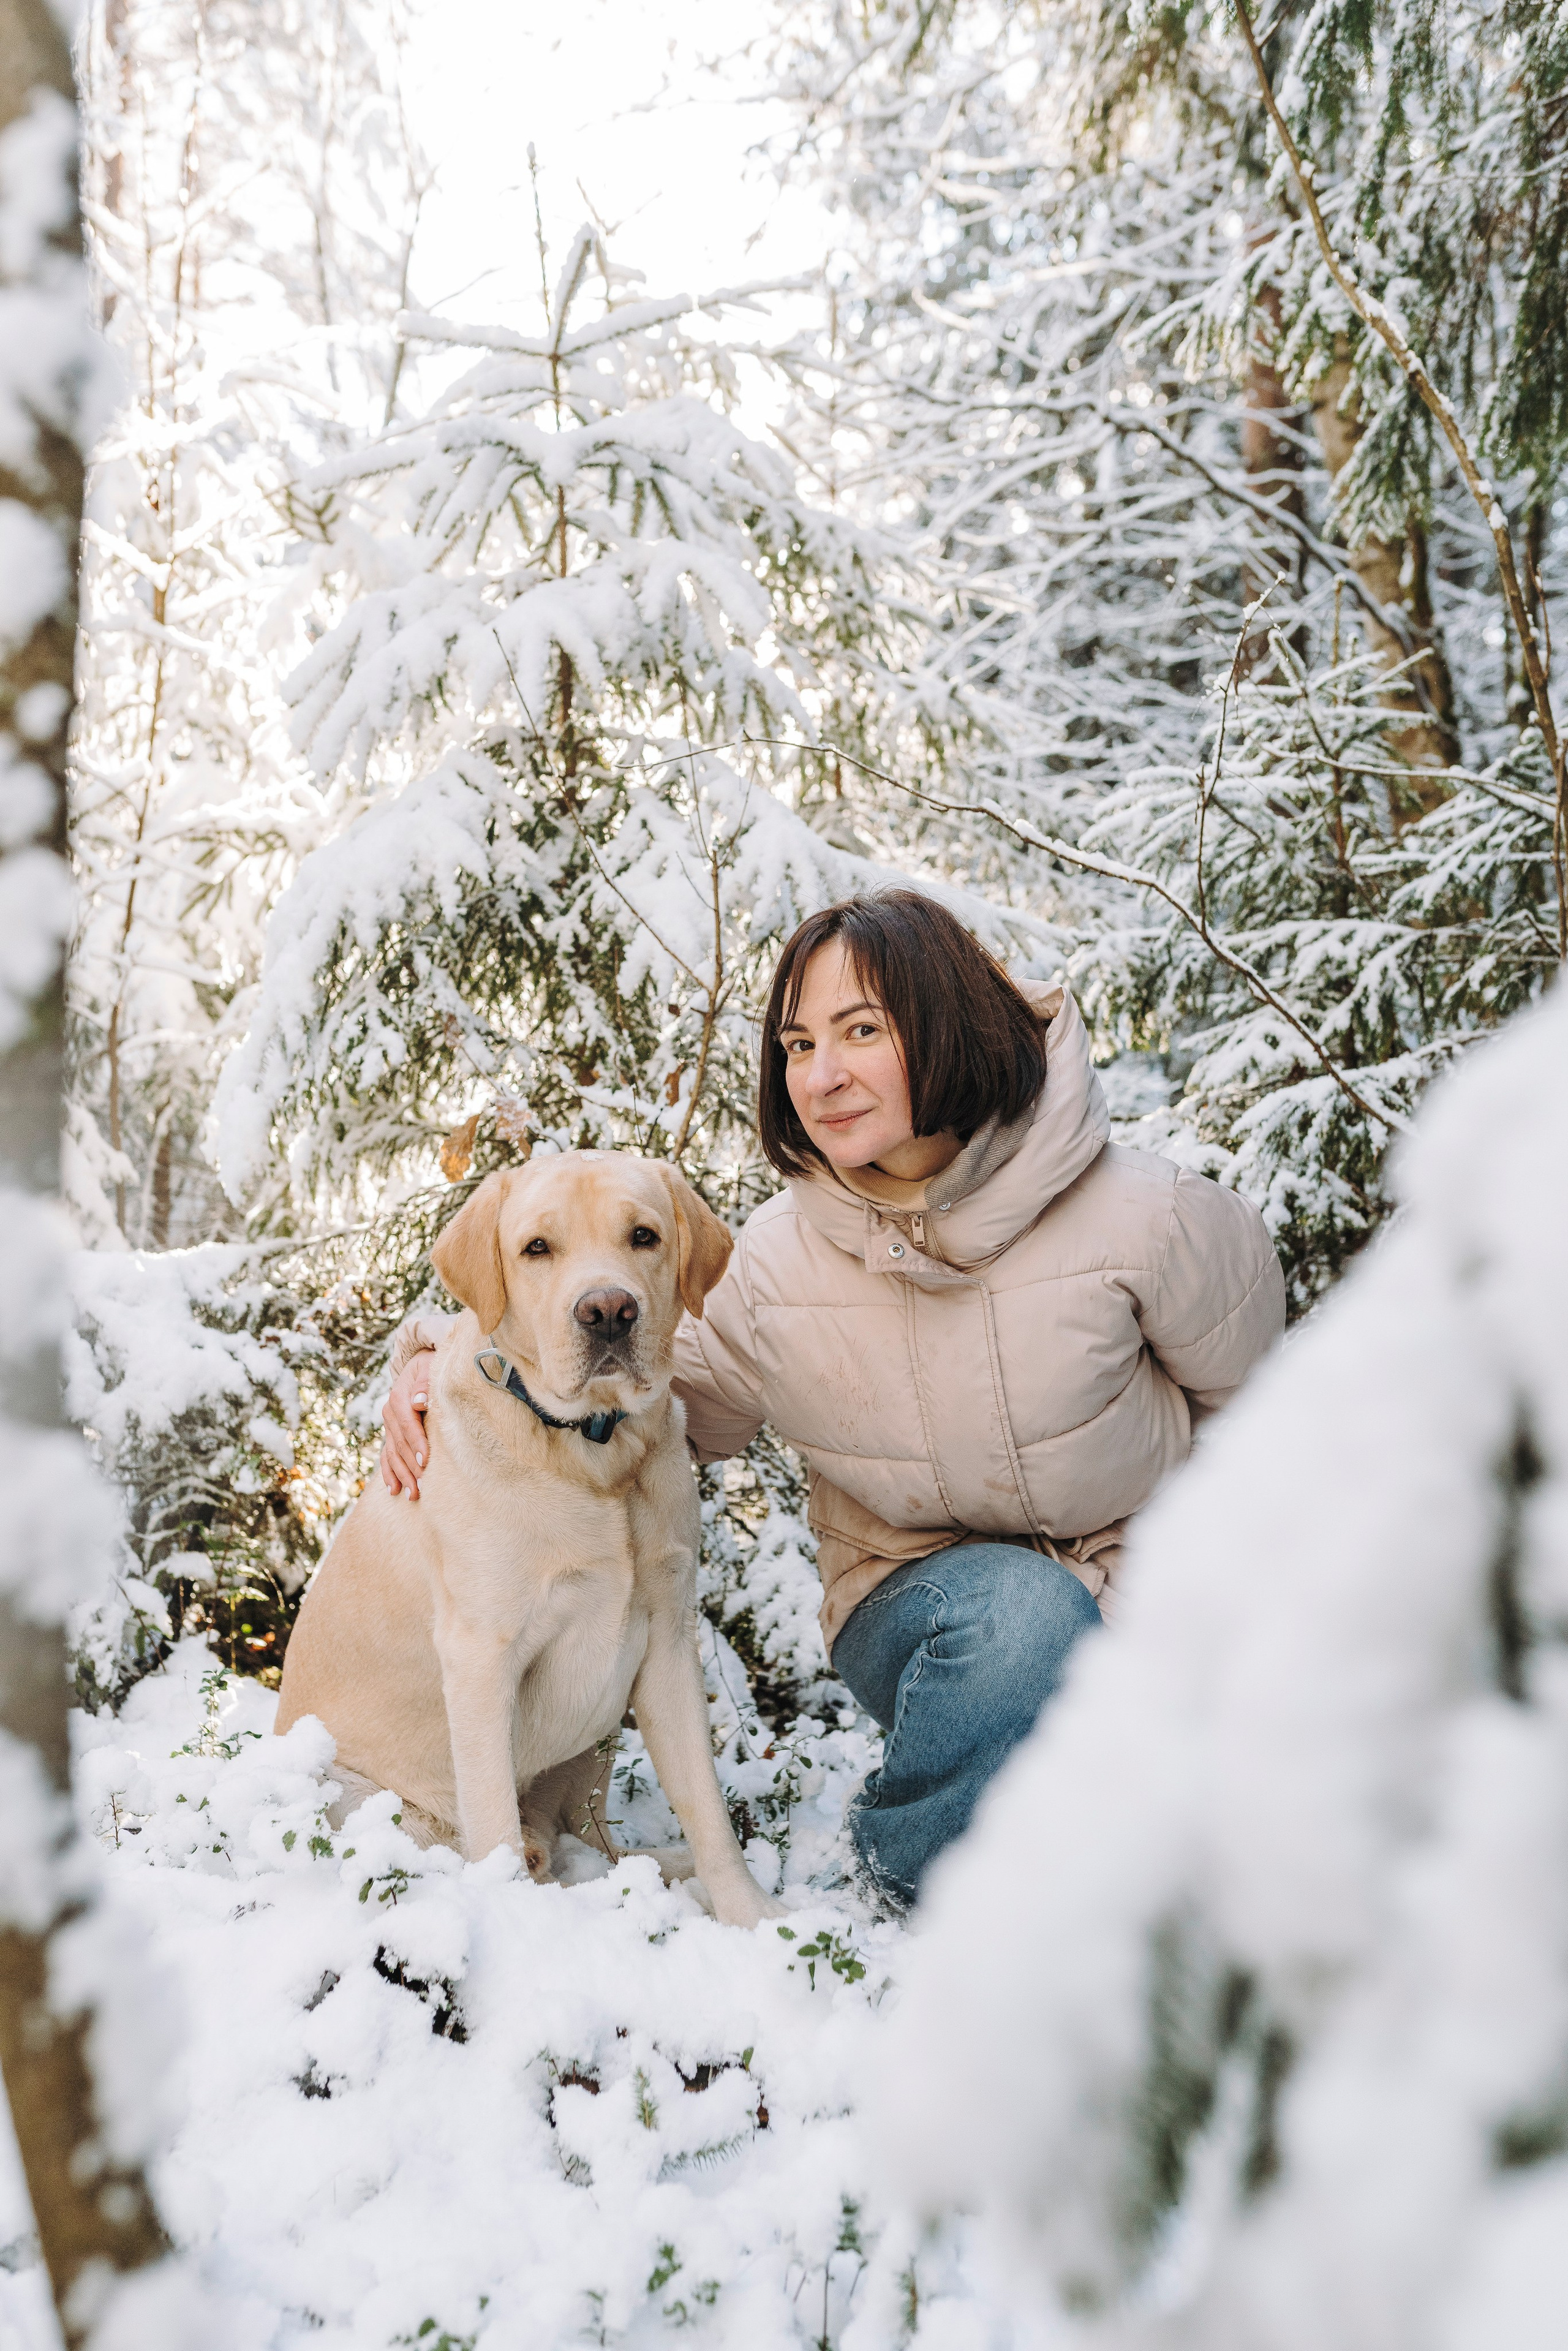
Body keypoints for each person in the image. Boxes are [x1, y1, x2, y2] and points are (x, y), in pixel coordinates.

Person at [379, 891, 1284, 1909]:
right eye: (799, 1042)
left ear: (949, 1022)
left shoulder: (1156, 1220)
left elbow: (1275, 1425)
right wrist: (433, 1356)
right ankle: (913, 1863)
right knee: (1027, 1625)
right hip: (922, 1606)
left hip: (1144, 1586)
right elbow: (637, 1384)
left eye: (861, 1031)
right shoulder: (771, 1264)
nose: (821, 1074)